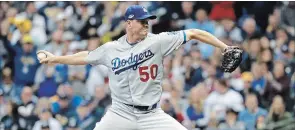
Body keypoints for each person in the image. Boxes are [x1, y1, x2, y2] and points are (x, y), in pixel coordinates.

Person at [38, 5, 232, 130]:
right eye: (142, 21)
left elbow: (194, 33)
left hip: (152, 114)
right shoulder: (111, 48)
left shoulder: (157, 41)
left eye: (148, 20)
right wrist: (56, 58)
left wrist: (225, 47)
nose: (147, 24)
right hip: (120, 113)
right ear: (129, 23)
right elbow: (86, 57)